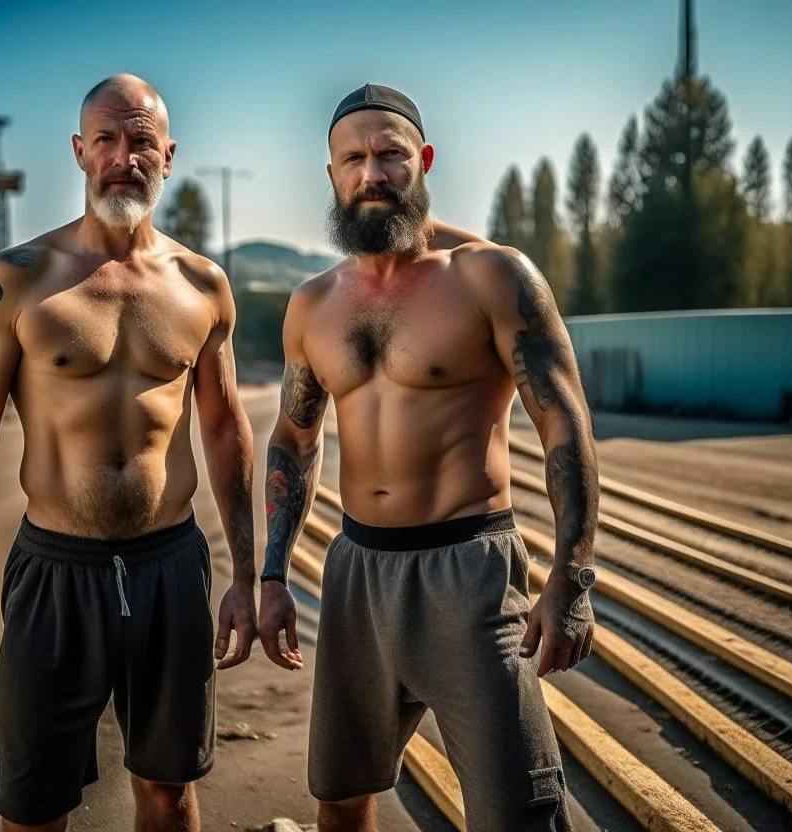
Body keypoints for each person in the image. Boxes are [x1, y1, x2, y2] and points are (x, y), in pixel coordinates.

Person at [257, 83, 599, 832]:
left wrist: (571, 578)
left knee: (519, 813)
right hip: (357, 572)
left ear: (425, 160)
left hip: (468, 573)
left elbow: (565, 427)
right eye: (355, 159)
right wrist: (274, 573)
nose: (372, 174)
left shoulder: (490, 275)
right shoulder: (313, 304)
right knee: (341, 798)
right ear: (332, 174)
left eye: (391, 155)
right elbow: (294, 436)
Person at [0, 73, 258, 832]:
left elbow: (225, 427)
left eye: (141, 140)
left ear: (168, 156)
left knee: (169, 796)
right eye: (105, 139)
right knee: (32, 809)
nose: (122, 156)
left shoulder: (203, 286)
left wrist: (244, 574)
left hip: (170, 570)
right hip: (55, 574)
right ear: (79, 151)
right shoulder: (16, 280)